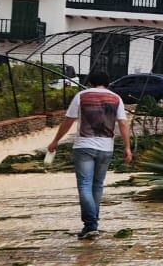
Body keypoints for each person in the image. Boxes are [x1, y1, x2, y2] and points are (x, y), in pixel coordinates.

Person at [47, 70, 131, 239]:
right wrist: (127, 147)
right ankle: (93, 223)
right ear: (108, 83)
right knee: (97, 185)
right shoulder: (116, 98)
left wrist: (55, 140)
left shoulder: (81, 96)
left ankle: (91, 225)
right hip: (106, 148)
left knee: (85, 185)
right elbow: (123, 123)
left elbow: (68, 121)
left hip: (84, 146)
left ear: (91, 82)